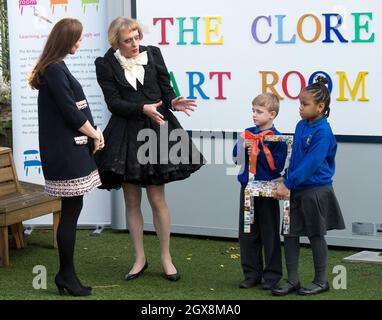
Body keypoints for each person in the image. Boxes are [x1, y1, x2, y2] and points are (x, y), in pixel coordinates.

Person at [94, 17, 204, 281]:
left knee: (157, 199)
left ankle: (166, 258)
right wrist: (141, 108)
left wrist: (173, 101)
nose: (134, 44)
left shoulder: (154, 54)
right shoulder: (104, 64)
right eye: (128, 40)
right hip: (126, 134)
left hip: (156, 130)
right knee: (132, 201)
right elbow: (114, 103)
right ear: (116, 42)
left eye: (136, 38)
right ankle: (139, 258)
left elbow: (165, 92)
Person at [29, 18, 104, 296]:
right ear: (67, 39)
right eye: (79, 38)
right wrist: (95, 134)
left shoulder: (56, 68)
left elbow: (77, 109)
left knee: (71, 212)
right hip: (65, 153)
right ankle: (66, 275)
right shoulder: (54, 71)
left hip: (71, 149)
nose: (80, 42)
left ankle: (67, 274)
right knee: (70, 214)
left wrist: (95, 131)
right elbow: (71, 112)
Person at [272, 76, 345, 296]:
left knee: (315, 235)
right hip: (296, 187)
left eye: (305, 104)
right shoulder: (301, 125)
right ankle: (293, 280)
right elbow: (297, 158)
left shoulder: (323, 132)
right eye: (300, 104)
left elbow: (312, 164)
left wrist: (289, 183)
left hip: (315, 190)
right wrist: (285, 176)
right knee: (290, 233)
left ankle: (321, 281)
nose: (300, 108)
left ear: (320, 107)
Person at [233, 93, 287, 290]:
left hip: (268, 191)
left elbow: (277, 166)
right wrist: (242, 147)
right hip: (248, 189)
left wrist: (258, 150)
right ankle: (251, 274)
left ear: (272, 114)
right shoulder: (247, 133)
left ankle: (271, 276)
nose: (254, 115)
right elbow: (236, 159)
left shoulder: (278, 139)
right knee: (247, 232)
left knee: (270, 232)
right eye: (253, 111)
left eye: (259, 112)